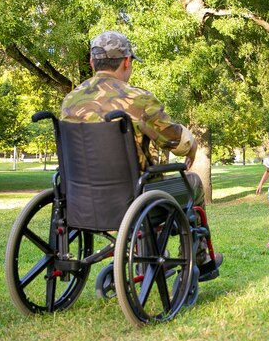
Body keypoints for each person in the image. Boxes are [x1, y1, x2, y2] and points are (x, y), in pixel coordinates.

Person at [61, 30, 222, 268]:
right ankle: (199, 259)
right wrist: (192, 147)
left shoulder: (70, 101)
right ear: (126, 61)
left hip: (78, 197)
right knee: (193, 183)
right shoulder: (138, 99)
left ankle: (154, 251)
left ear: (92, 62)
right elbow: (175, 141)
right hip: (134, 195)